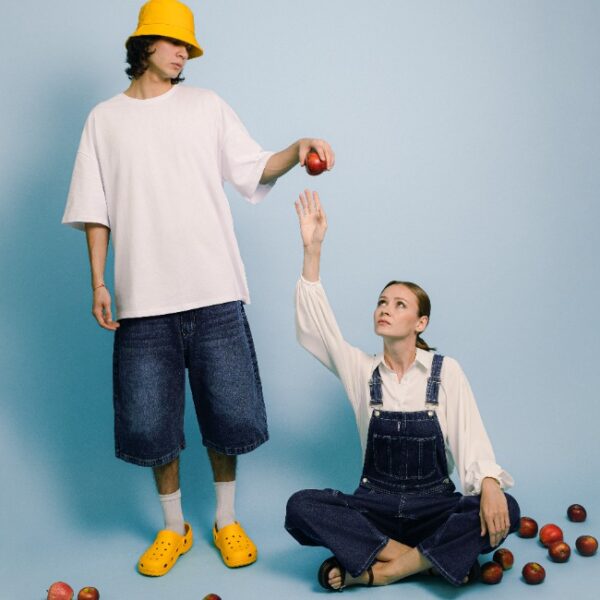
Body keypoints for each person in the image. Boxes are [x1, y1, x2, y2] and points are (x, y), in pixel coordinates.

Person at [62, 0, 334, 577]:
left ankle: (225, 520)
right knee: (150, 425)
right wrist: (98, 281)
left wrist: (298, 147)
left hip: (215, 290)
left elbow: (255, 167)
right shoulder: (104, 120)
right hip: (143, 299)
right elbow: (95, 209)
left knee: (228, 415)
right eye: (173, 42)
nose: (183, 53)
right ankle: (173, 528)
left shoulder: (206, 106)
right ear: (143, 45)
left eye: (187, 46)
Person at [284, 190, 520, 590]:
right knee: (300, 506)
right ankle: (425, 562)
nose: (385, 309)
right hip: (374, 509)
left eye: (399, 304)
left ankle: (382, 570)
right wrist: (313, 250)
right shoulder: (360, 370)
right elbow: (315, 329)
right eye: (382, 302)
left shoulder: (446, 372)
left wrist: (491, 485)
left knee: (508, 509)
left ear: (420, 322)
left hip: (435, 509)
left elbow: (472, 440)